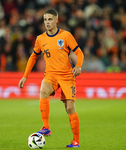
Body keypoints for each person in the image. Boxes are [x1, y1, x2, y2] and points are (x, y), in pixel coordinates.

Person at [18, 8, 84, 148]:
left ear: (56, 20)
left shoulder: (66, 36)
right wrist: (25, 76)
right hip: (51, 74)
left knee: (70, 107)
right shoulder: (40, 39)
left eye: (49, 19)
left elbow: (79, 52)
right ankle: (46, 127)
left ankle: (76, 141)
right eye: (45, 20)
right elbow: (33, 56)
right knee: (43, 90)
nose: (47, 22)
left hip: (67, 76)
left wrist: (78, 66)